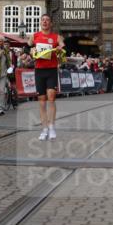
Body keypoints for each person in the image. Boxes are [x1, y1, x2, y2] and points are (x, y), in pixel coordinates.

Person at [32, 13, 64, 141]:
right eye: (43, 20)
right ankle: (44, 129)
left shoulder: (56, 37)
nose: (45, 22)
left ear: (51, 23)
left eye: (47, 20)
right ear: (40, 22)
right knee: (42, 100)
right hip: (39, 70)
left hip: (51, 70)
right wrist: (30, 50)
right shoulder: (35, 36)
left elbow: (62, 44)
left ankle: (51, 127)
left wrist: (60, 47)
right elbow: (27, 46)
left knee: (51, 98)